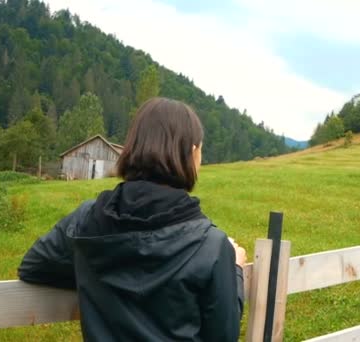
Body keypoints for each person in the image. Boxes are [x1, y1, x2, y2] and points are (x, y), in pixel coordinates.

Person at [18, 97, 247, 341]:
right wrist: (234, 269)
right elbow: (224, 335)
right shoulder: (211, 245)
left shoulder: (87, 220)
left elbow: (34, 267)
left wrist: (97, 277)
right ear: (191, 152)